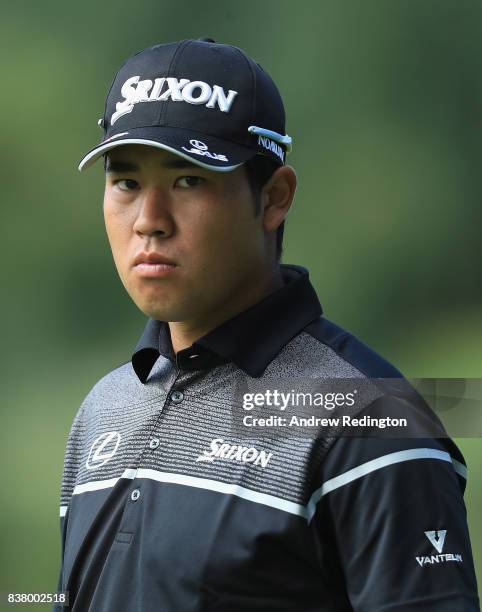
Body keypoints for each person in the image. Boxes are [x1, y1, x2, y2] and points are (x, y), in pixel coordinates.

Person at [54, 37, 480, 611]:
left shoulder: (374, 422)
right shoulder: (104, 408)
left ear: (274, 198)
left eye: (188, 181)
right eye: (127, 183)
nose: (149, 221)